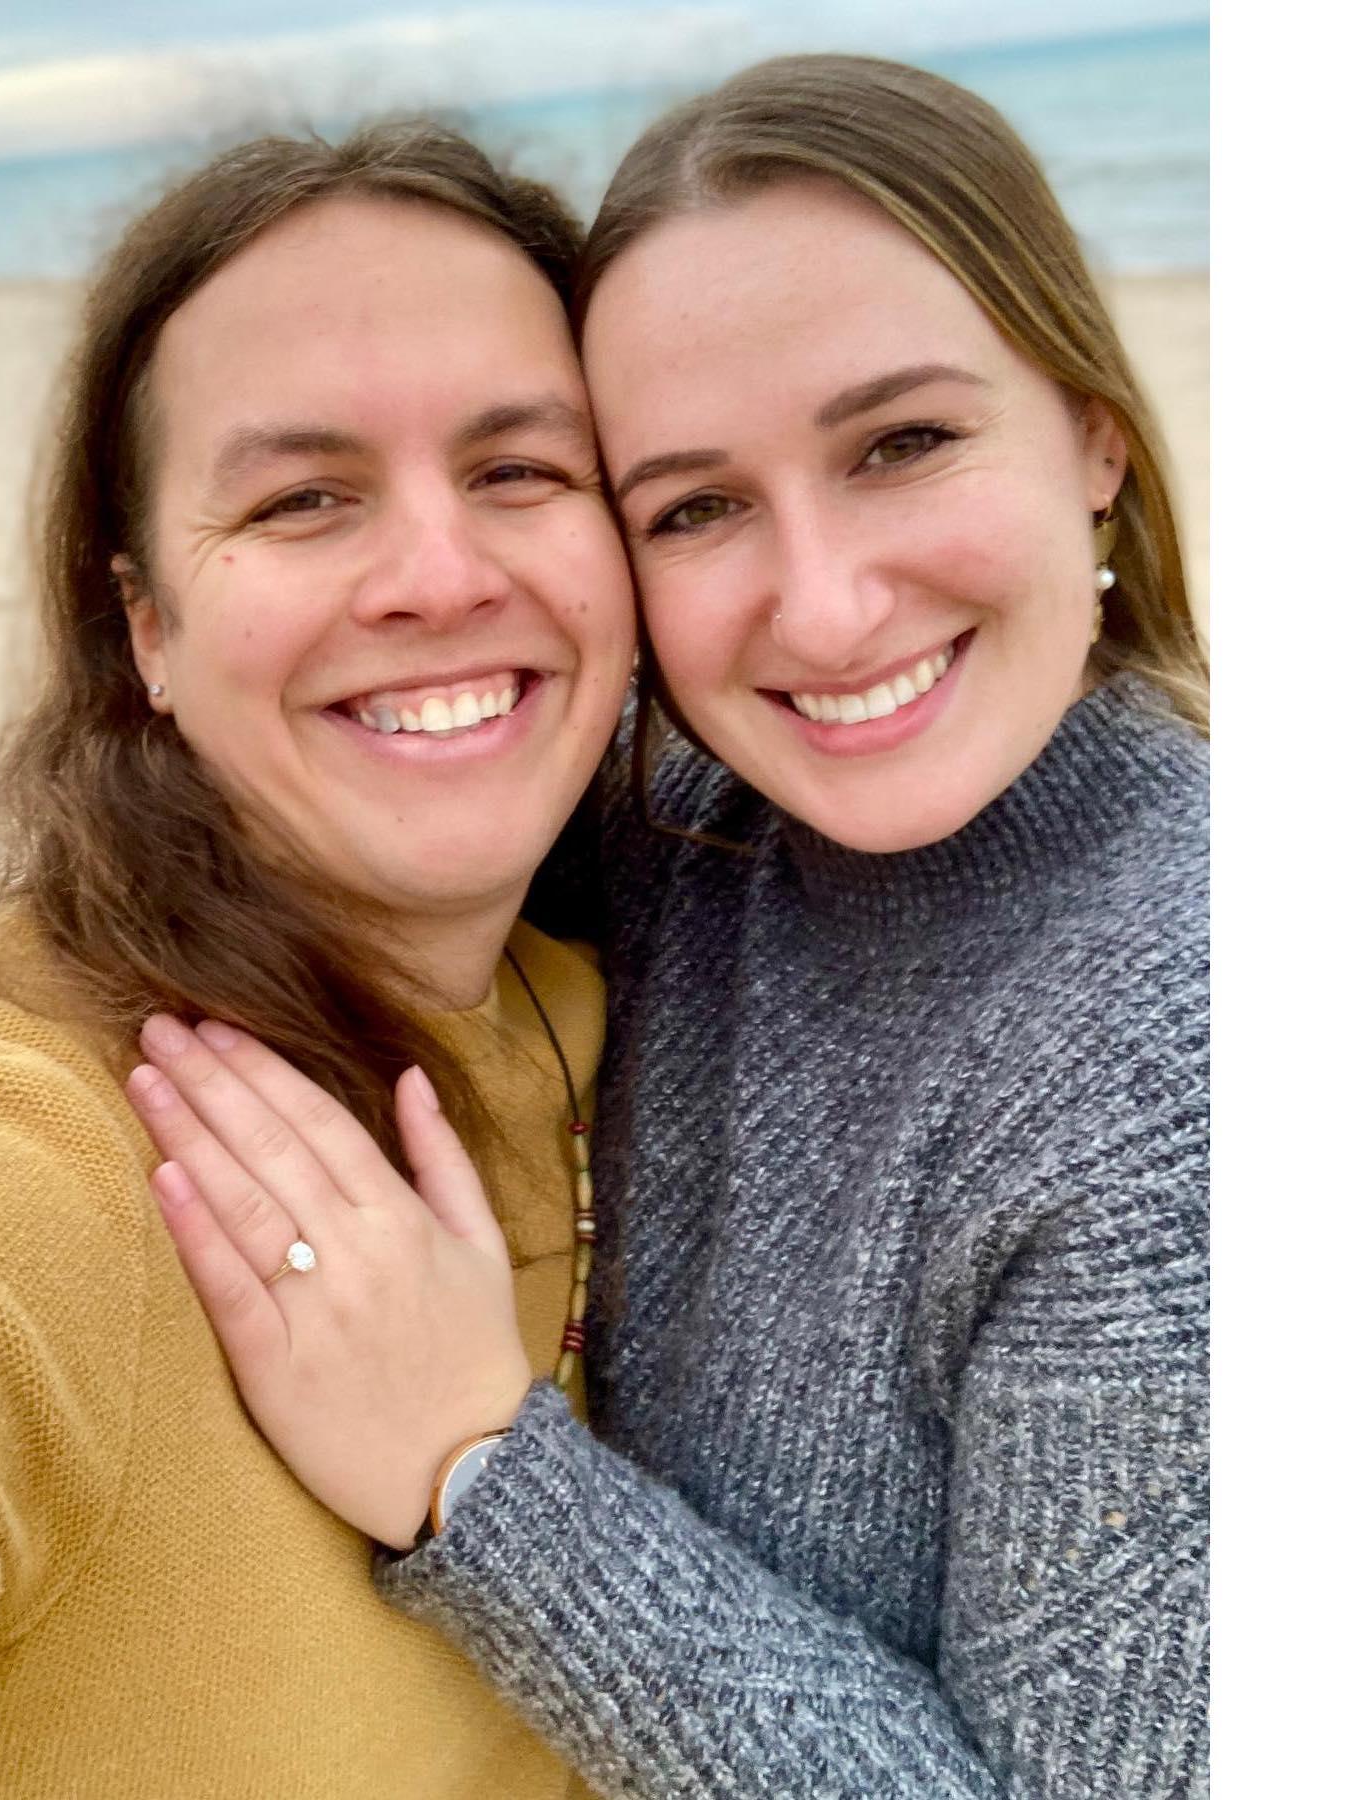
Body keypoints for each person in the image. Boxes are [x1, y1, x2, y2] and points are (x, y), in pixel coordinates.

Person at [128, 55, 1209, 1798]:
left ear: (1092, 430)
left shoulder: (1187, 1060)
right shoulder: (688, 816)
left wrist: (478, 1473)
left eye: (904, 443)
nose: (828, 606)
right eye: (695, 506)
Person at [0, 123, 637, 1798]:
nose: (441, 575)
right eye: (302, 497)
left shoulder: (642, 1010)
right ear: (146, 629)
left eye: (522, 468)